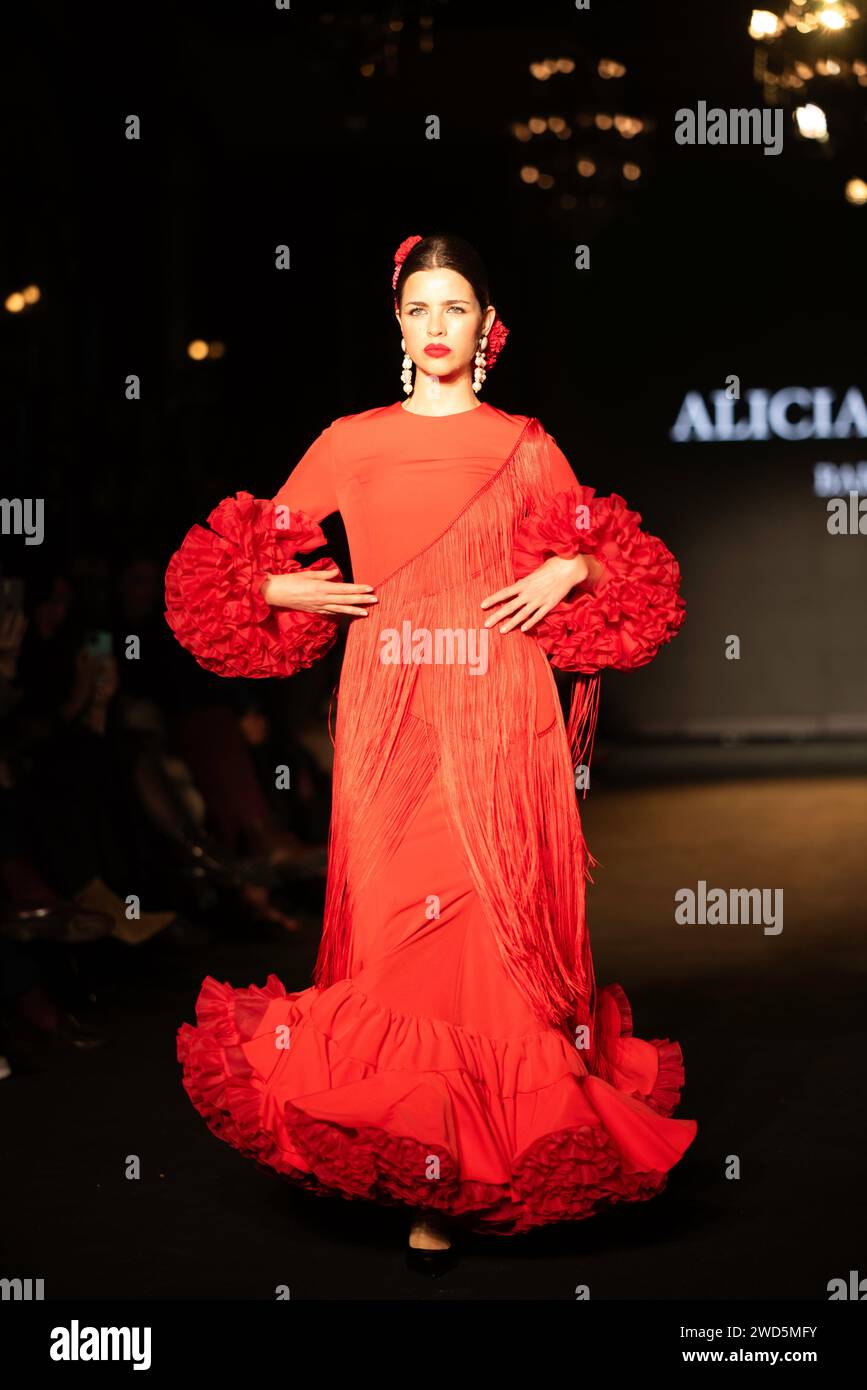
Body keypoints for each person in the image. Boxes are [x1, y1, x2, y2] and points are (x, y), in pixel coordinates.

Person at [166, 232, 697, 1274]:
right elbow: (229, 566)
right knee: (402, 925)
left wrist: (567, 570)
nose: (438, 325)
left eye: (455, 307)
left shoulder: (525, 444)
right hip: (391, 705)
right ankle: (426, 1167)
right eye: (421, 309)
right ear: (399, 325)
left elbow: (624, 566)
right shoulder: (351, 441)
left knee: (495, 937)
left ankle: (465, 1175)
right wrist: (288, 586)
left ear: (485, 326)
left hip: (500, 708)